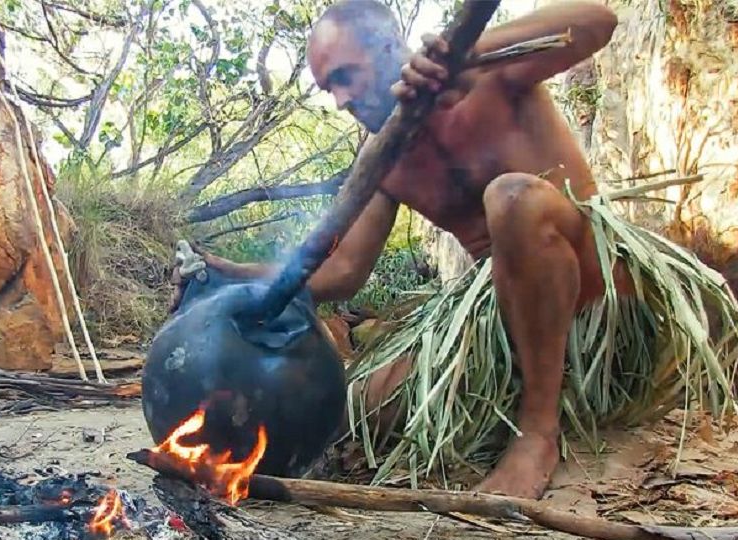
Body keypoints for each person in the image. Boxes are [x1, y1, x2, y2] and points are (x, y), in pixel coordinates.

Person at [175, 0, 629, 499]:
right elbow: (343, 270)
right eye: (330, 89)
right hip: (503, 322)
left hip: (597, 291)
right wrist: (233, 274)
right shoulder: (383, 156)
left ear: (391, 48)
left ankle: (538, 432)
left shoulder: (492, 74)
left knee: (512, 199)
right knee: (367, 407)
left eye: (346, 76)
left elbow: (598, 22)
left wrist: (469, 53)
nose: (342, 100)